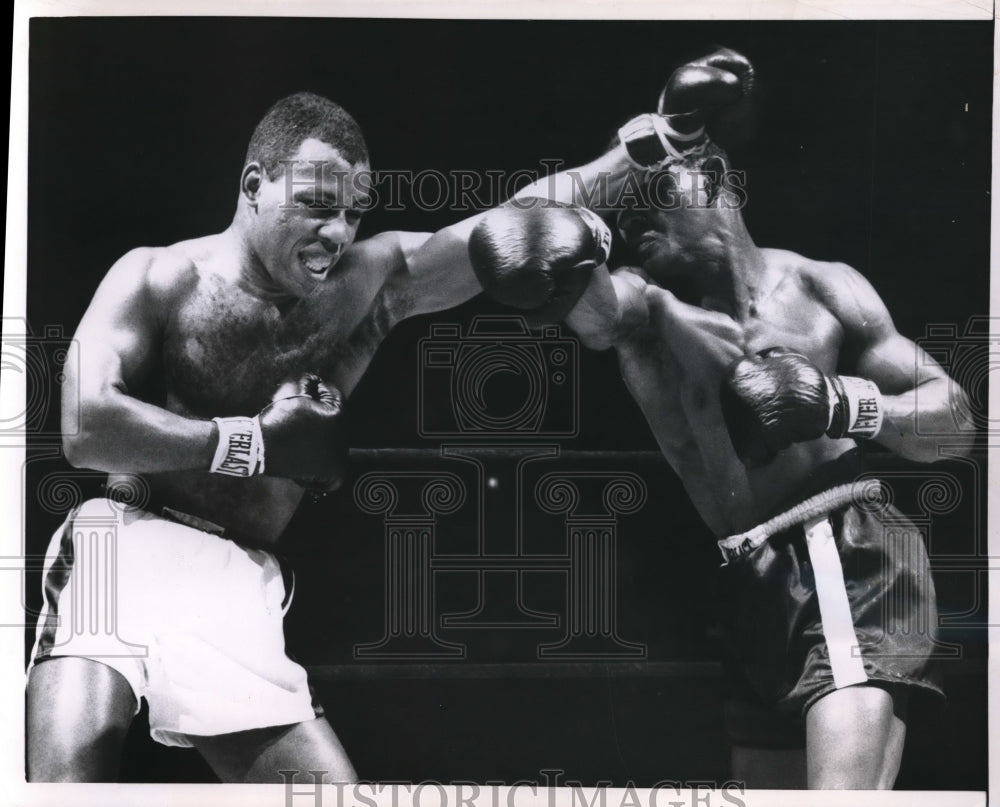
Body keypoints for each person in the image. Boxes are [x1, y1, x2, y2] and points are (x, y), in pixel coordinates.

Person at [25, 91, 620, 783]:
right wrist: (250, 442)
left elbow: (509, 224)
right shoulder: (158, 276)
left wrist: (643, 152)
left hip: (237, 577)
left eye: (353, 213)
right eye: (317, 204)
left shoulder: (365, 284)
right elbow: (84, 426)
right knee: (67, 782)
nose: (338, 232)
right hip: (125, 542)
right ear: (255, 186)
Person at [468, 50, 975, 789]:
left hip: (845, 552)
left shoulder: (826, 289)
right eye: (625, 203)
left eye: (655, 189)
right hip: (750, 585)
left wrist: (840, 402)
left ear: (715, 178)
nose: (631, 210)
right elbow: (508, 240)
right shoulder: (642, 311)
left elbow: (957, 420)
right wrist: (650, 144)